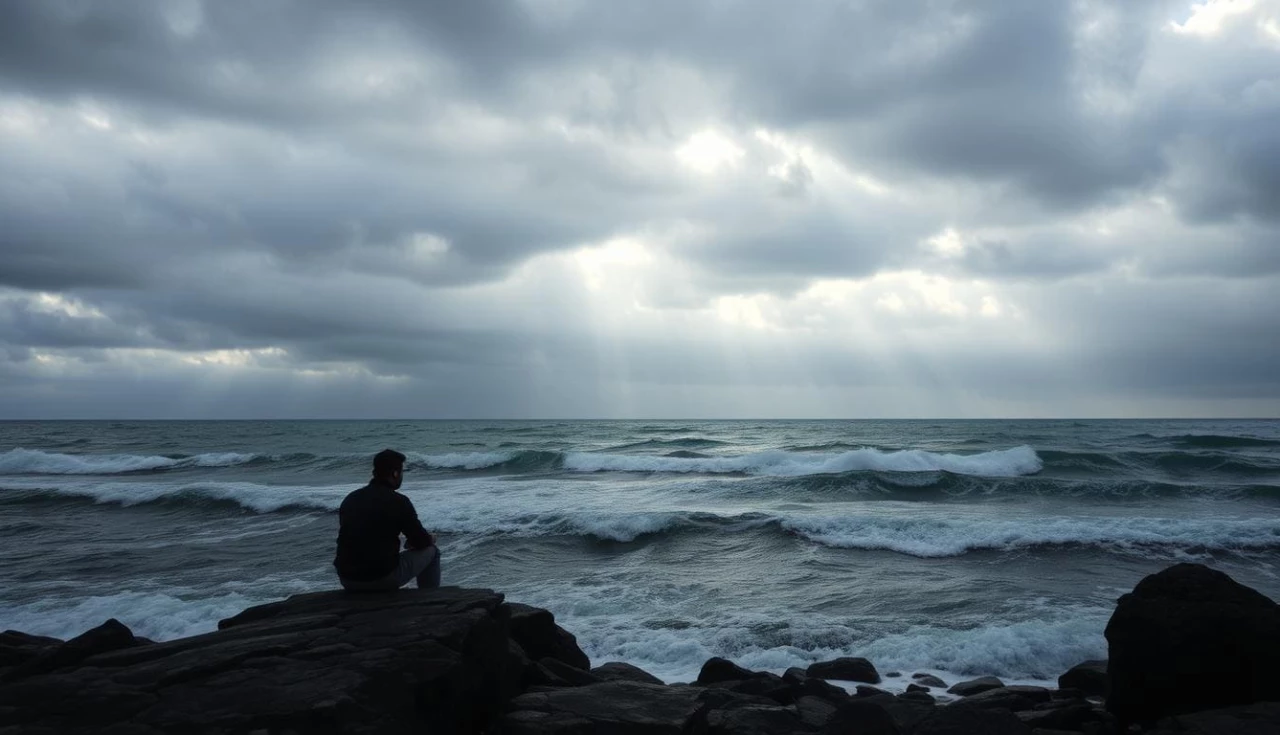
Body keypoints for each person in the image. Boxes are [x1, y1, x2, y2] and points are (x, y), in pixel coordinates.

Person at [334, 449, 441, 591]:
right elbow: (420, 541)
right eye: (401, 472)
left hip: (347, 579)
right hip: (380, 578)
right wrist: (430, 539)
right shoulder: (399, 501)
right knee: (432, 551)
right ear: (395, 473)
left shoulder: (351, 499)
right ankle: (430, 598)